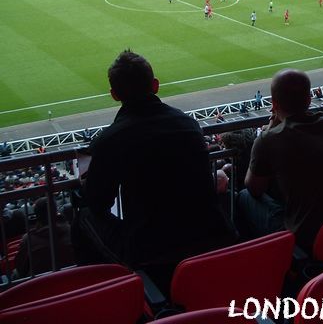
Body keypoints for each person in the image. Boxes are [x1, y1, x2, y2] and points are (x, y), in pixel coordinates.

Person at [76, 50, 236, 281]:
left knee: (84, 216)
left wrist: (87, 179)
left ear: (114, 95)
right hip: (210, 233)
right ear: (155, 85)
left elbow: (98, 203)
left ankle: (97, 291)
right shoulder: (188, 124)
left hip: (151, 248)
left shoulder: (110, 139)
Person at [239, 69, 323, 252]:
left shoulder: (269, 139)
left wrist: (269, 129)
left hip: (309, 240)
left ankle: (270, 259)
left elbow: (254, 188)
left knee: (244, 197)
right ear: (309, 99)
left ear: (274, 104)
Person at [15, 197, 75, 277]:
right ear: (56, 211)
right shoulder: (71, 230)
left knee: (15, 274)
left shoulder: (28, 239)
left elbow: (21, 269)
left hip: (42, 285)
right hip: (72, 279)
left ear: (37, 215)